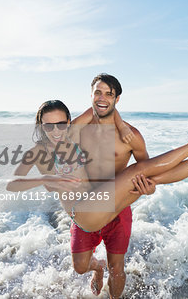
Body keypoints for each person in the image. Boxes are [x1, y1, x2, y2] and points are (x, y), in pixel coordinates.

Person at [7, 101, 188, 298]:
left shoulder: (74, 132)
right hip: (84, 215)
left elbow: (103, 106)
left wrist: (119, 124)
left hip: (105, 203)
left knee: (147, 175)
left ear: (69, 121)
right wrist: (46, 179)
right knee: (80, 267)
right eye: (49, 126)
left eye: (61, 124)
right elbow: (13, 184)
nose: (56, 131)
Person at [67, 74, 155, 298]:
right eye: (98, 92)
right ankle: (97, 268)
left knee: (117, 269)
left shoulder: (131, 136)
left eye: (109, 94)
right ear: (91, 95)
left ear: (117, 99)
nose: (102, 97)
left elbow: (148, 170)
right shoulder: (81, 130)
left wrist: (150, 188)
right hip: (88, 206)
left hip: (117, 207)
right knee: (79, 266)